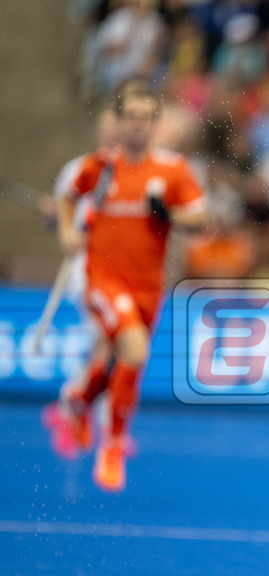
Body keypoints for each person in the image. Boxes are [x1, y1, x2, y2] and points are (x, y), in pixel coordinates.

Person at [45, 80, 207, 493]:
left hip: (149, 286)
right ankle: (112, 445)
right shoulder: (101, 166)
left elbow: (200, 220)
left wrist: (167, 213)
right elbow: (67, 195)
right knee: (132, 349)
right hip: (102, 279)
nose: (137, 125)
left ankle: (77, 402)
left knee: (122, 358)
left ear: (155, 124)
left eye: (145, 118)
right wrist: (67, 232)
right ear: (118, 122)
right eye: (130, 117)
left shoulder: (172, 170)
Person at [41, 107, 119, 461]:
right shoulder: (77, 170)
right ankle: (74, 407)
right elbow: (63, 220)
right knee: (108, 342)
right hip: (87, 271)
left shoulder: (129, 170)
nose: (110, 135)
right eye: (105, 129)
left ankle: (88, 416)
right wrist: (57, 221)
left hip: (119, 270)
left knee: (109, 347)